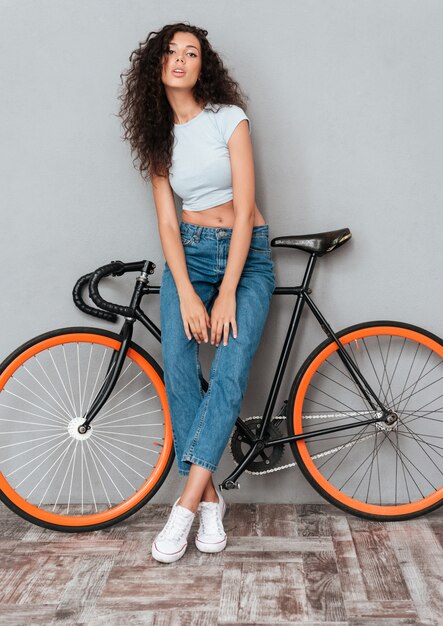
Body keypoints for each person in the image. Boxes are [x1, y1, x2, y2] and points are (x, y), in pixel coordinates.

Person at [118, 22, 275, 563]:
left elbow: (247, 202)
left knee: (230, 373)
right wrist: (185, 291)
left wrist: (228, 290)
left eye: (192, 53)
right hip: (188, 254)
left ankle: (183, 509)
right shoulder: (160, 138)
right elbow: (166, 224)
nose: (181, 60)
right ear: (156, 65)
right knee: (179, 368)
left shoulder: (229, 119)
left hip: (244, 256)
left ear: (203, 66)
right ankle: (212, 500)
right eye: (172, 52)